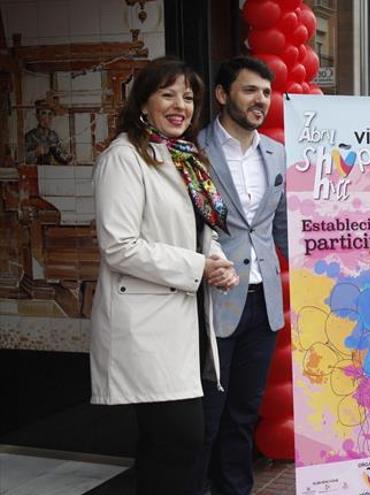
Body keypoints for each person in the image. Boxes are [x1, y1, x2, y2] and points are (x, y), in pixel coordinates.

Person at [90, 56, 238, 493]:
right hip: (148, 325)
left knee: (169, 447)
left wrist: (217, 261)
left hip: (186, 319)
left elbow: (194, 232)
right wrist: (198, 266)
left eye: (188, 97)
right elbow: (118, 245)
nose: (181, 106)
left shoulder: (184, 158)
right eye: (168, 94)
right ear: (143, 102)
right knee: (180, 441)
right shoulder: (124, 158)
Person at [194, 56, 289, 495]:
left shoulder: (276, 153)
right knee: (208, 416)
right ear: (222, 94)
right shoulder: (194, 152)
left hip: (263, 304)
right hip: (211, 299)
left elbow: (281, 226)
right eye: (250, 90)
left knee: (244, 414)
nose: (261, 101)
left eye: (266, 93)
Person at [25, 99, 73, 164]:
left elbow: (59, 154)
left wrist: (67, 157)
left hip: (49, 171)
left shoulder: (54, 135)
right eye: (43, 113)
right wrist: (36, 153)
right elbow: (23, 159)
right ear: (37, 116)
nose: (47, 118)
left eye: (50, 114)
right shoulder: (30, 136)